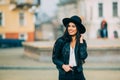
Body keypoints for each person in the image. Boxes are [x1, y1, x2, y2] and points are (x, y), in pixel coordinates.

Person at [52, 15, 88, 80]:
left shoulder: (82, 42)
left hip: (78, 73)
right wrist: (63, 66)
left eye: (73, 26)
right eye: (69, 26)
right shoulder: (61, 41)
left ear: (78, 28)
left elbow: (83, 56)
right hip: (65, 74)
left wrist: (81, 43)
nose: (70, 28)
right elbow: (55, 58)